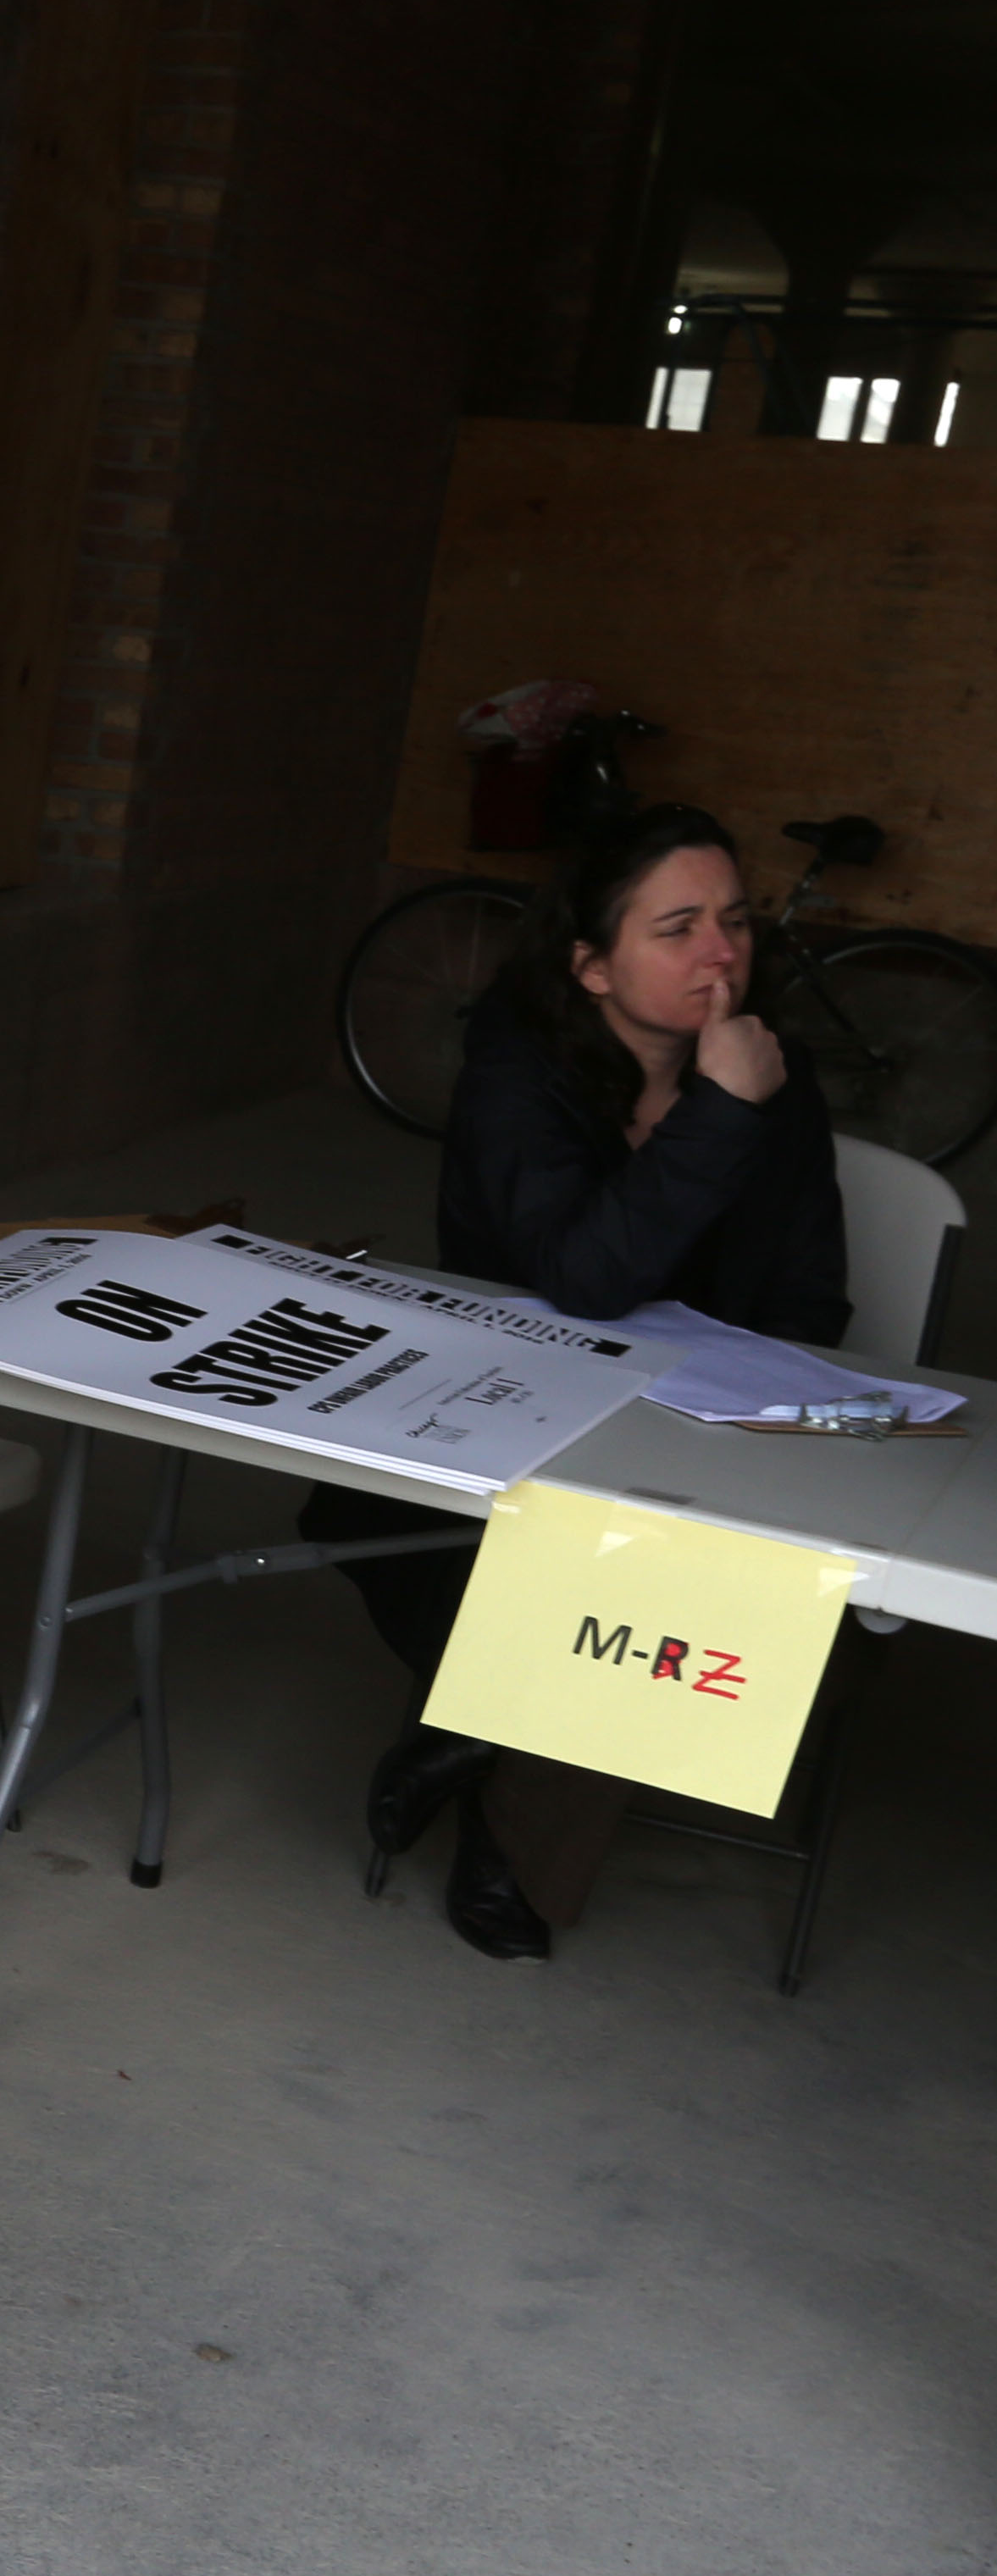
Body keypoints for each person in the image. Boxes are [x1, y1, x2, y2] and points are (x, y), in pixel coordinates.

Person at [316, 802, 846, 1958]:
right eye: (677, 928)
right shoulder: (519, 1067)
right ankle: (499, 1754)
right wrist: (718, 1111)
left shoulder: (778, 1073)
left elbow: (811, 1288)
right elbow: (582, 1278)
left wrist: (775, 1411)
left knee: (715, 1561)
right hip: (510, 1411)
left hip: (705, 1419)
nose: (721, 953)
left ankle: (479, 1749)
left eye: (735, 920)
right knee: (595, 1557)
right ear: (592, 966)